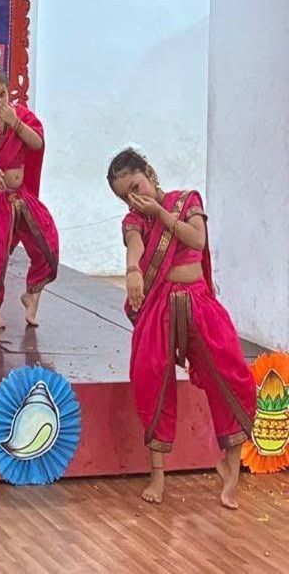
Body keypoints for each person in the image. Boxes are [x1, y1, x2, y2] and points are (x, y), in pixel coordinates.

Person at [107, 148, 255, 509]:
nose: (134, 199)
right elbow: (134, 246)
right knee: (151, 376)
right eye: (125, 196)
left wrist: (161, 214)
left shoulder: (186, 201)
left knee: (230, 372)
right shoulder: (135, 220)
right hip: (159, 306)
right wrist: (132, 271)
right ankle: (157, 475)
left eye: (135, 187)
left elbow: (197, 240)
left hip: (200, 303)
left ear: (150, 172)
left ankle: (230, 468)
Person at [0, 58, 58, 329]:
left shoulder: (22, 116)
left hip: (20, 195)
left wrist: (16, 122)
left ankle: (32, 295)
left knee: (47, 243)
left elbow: (37, 143)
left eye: (2, 95)